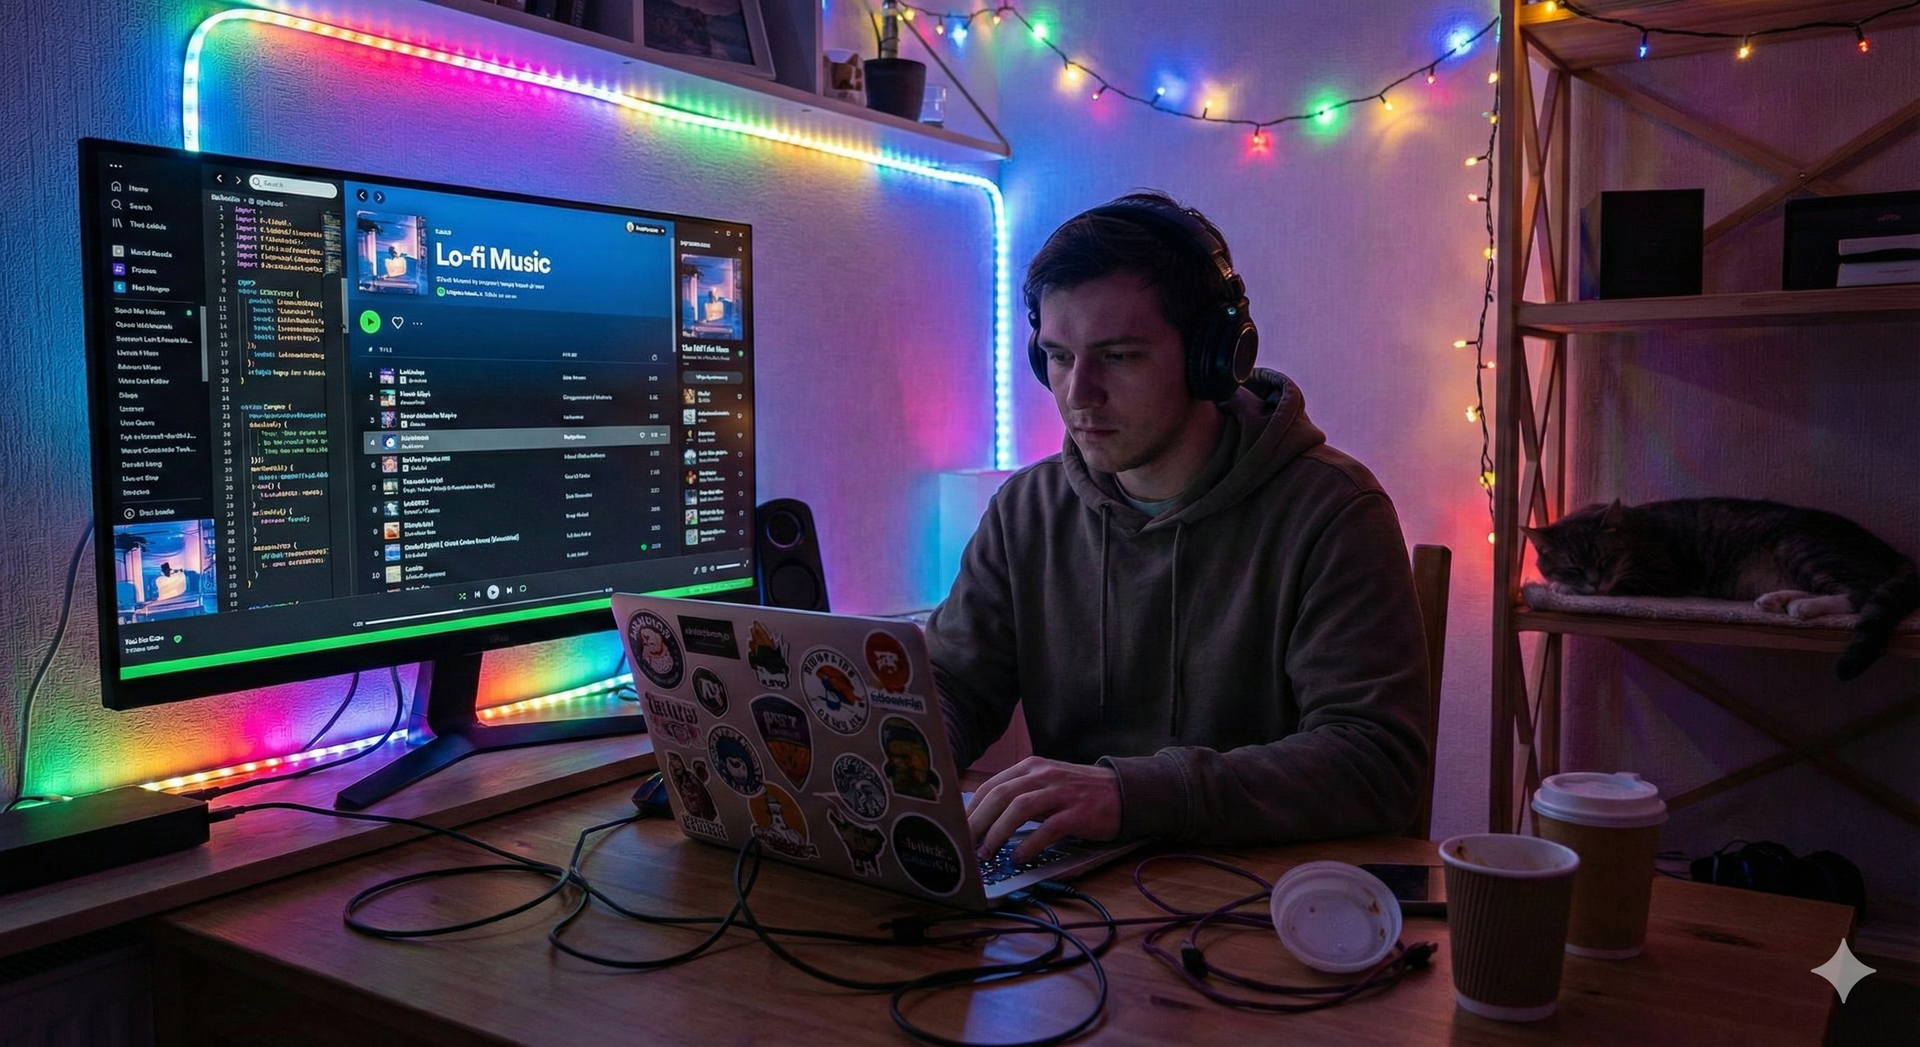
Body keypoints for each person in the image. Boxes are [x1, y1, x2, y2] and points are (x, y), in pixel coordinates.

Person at [928, 192, 1431, 863]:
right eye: (1059, 356)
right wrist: (894, 753)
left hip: (1266, 901)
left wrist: (1132, 794)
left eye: (1119, 356)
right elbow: (952, 688)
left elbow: (1376, 764)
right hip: (1065, 895)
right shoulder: (1027, 511)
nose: (1078, 393)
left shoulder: (1334, 511)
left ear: (1213, 358)